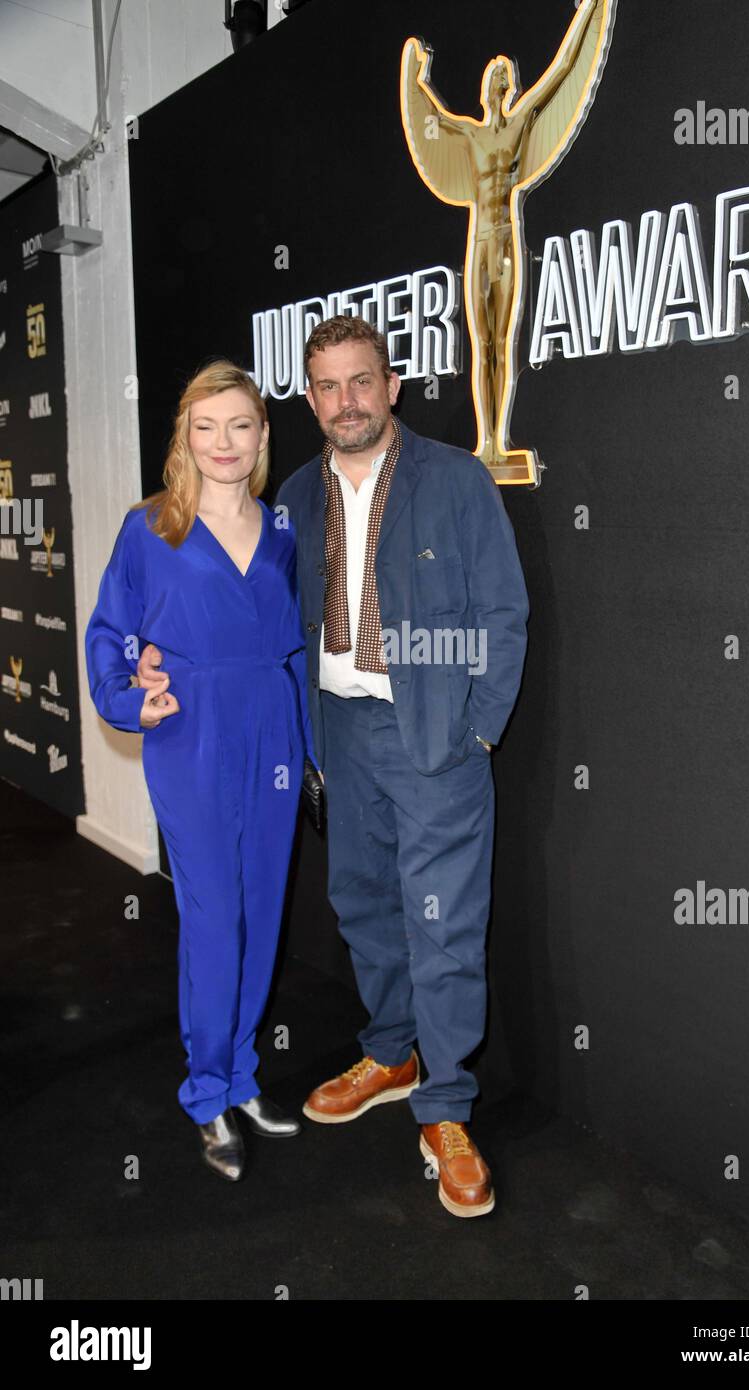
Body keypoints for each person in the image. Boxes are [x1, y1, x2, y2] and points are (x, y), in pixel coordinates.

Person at [138, 316, 529, 1217]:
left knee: (442, 925)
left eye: (362, 381)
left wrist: (477, 731)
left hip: (435, 734)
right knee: (362, 903)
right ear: (307, 401)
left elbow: (503, 613)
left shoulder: (456, 481)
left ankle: (445, 1108)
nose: (346, 400)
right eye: (327, 386)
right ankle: (391, 1050)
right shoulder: (299, 498)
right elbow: (246, 610)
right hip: (338, 735)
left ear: (392, 387)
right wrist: (154, 661)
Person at [84, 359, 317, 1183]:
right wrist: (126, 697)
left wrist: (312, 752)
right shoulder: (151, 527)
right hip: (191, 735)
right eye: (206, 426)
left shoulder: (285, 527)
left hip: (274, 733)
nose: (224, 442)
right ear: (184, 436)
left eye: (241, 426)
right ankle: (206, 1091)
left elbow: (296, 646)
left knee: (261, 914)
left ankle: (244, 1074)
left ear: (261, 436)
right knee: (214, 919)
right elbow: (110, 629)